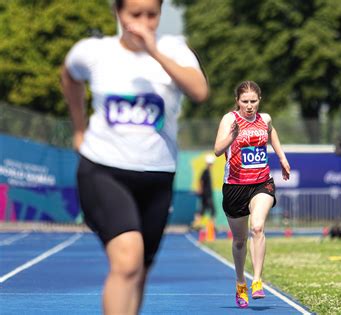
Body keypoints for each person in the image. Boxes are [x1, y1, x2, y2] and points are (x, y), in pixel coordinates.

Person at [60, 0, 208, 314]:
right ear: (118, 13)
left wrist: (154, 51)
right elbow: (69, 76)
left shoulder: (175, 49)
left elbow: (199, 91)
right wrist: (78, 127)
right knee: (127, 260)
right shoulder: (95, 51)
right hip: (104, 169)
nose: (143, 22)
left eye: (151, 15)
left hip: (158, 174)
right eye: (134, 15)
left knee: (139, 270)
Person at [214, 80, 291, 308]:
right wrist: (232, 136)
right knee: (239, 240)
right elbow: (218, 150)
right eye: (245, 101)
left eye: (253, 101)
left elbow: (271, 132)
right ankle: (240, 283)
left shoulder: (264, 119)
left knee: (257, 227)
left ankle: (257, 280)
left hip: (261, 182)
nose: (249, 106)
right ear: (237, 101)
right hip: (235, 186)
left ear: (260, 100)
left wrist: (282, 157)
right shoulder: (230, 119)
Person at [193, 154, 216, 229]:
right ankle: (211, 227)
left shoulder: (207, 171)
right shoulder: (205, 171)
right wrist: (200, 190)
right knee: (212, 210)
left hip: (206, 194)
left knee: (202, 210)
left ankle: (196, 224)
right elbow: (201, 181)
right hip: (207, 195)